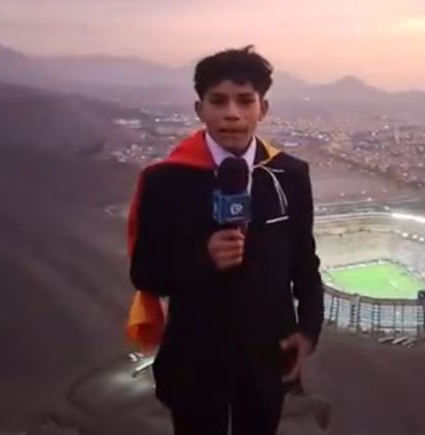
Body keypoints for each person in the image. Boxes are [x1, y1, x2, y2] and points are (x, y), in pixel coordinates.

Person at [127, 45, 324, 435]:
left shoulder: (289, 175)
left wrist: (308, 330)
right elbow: (145, 273)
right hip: (194, 359)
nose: (231, 113)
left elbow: (304, 261)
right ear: (199, 109)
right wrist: (203, 258)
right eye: (218, 101)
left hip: (267, 356)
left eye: (245, 101)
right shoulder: (165, 181)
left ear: (262, 108)